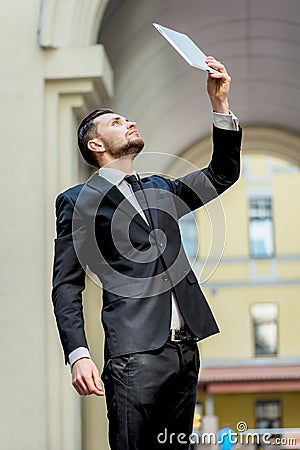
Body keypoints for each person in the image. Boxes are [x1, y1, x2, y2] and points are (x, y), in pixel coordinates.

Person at [52, 57, 242, 450]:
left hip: (185, 350)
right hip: (132, 355)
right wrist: (79, 354)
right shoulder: (77, 202)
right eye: (117, 122)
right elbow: (66, 286)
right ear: (96, 145)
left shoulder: (162, 188)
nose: (130, 123)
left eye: (127, 119)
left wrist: (219, 105)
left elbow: (221, 173)